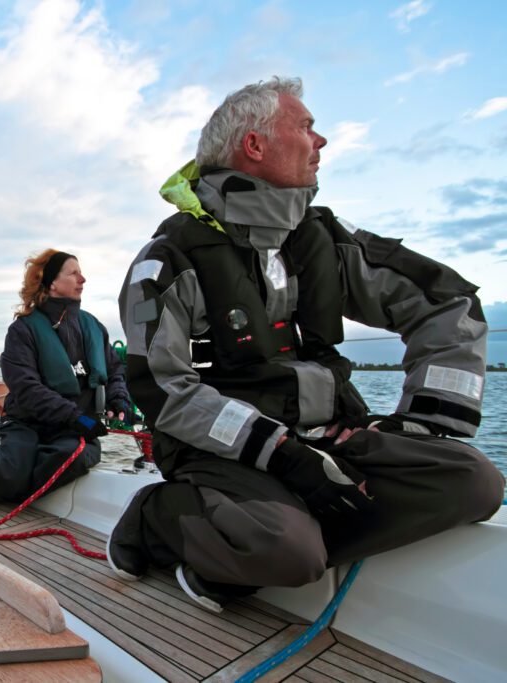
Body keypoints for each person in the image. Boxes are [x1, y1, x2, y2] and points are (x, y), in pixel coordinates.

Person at [110, 77, 505, 613]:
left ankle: (261, 538)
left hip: (329, 433)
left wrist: (422, 425)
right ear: (254, 145)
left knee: (473, 482)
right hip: (221, 449)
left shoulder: (325, 241)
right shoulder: (167, 261)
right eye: (306, 127)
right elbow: (163, 388)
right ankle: (157, 518)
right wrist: (285, 455)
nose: (321, 142)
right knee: (288, 552)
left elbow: (447, 304)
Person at [0, 249, 130, 505]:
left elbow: (115, 370)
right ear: (51, 283)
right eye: (73, 273)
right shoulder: (22, 330)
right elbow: (25, 388)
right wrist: (76, 416)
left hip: (71, 430)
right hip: (27, 423)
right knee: (12, 471)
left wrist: (118, 398)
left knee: (75, 456)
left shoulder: (94, 327)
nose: (83, 279)